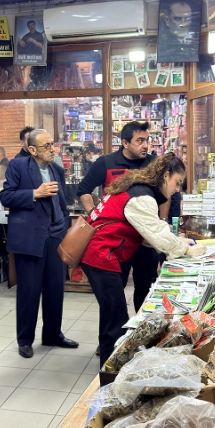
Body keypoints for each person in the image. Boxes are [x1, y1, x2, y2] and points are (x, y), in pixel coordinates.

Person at [80, 153, 206, 364]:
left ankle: (110, 364)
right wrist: (186, 250)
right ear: (165, 175)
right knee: (116, 321)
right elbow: (155, 234)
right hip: (101, 256)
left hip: (103, 254)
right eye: (177, 182)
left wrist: (178, 241)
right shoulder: (141, 197)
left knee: (111, 314)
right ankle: (111, 375)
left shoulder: (138, 188)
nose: (177, 189)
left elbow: (150, 231)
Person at [76, 121, 176, 312]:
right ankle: (115, 334)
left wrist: (161, 223)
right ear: (125, 143)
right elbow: (83, 190)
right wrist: (95, 218)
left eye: (147, 140)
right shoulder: (106, 163)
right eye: (140, 140)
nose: (145, 145)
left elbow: (165, 197)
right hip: (117, 241)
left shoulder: (153, 164)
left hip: (146, 240)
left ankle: (143, 331)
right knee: (114, 292)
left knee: (145, 288)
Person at [0, 129, 79, 359]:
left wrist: (63, 225)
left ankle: (53, 334)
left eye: (53, 144)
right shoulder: (18, 166)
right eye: (46, 146)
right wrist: (35, 193)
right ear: (32, 150)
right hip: (30, 238)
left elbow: (61, 198)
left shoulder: (55, 168)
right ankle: (25, 339)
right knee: (29, 291)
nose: (52, 149)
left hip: (55, 235)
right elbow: (7, 197)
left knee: (55, 289)